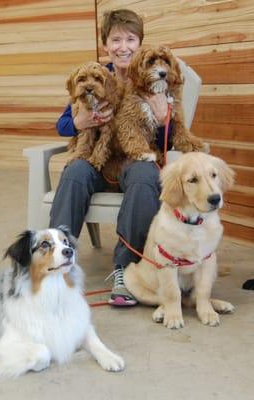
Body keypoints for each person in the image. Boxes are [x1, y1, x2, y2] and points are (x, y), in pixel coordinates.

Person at [49, 9, 173, 306]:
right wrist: (81, 123)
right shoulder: (94, 77)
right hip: (97, 162)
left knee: (145, 174)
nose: (123, 47)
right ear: (106, 44)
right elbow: (63, 124)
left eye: (130, 39)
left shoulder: (152, 78)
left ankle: (126, 270)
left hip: (133, 163)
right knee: (75, 170)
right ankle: (55, 266)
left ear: (140, 43)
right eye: (116, 39)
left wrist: (163, 117)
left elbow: (173, 136)